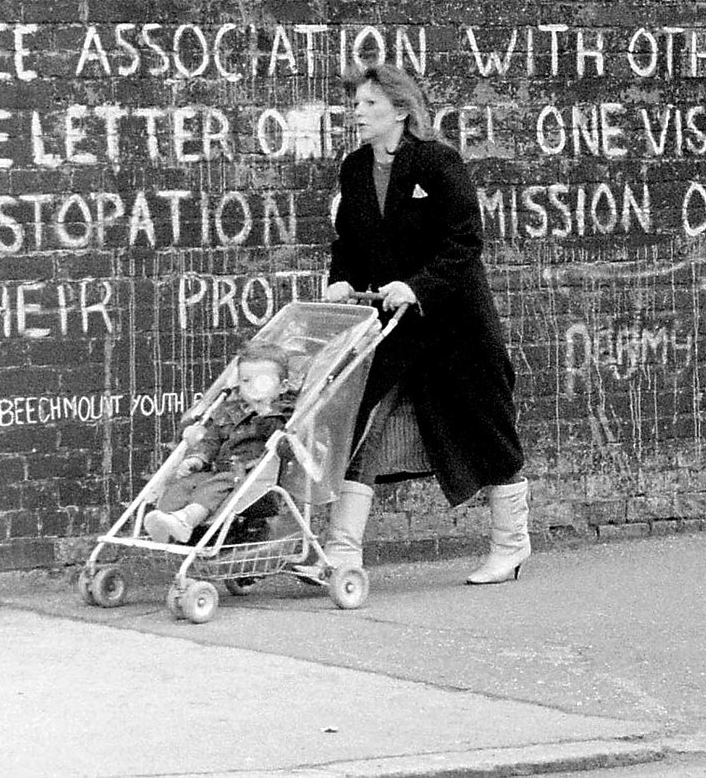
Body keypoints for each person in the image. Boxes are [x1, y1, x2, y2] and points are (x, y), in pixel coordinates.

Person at [320, 64, 530, 584]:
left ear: (401, 110)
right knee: (361, 423)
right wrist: (341, 281)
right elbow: (348, 243)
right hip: (393, 327)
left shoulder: (438, 162)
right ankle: (341, 555)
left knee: (486, 428)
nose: (358, 113)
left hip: (456, 326)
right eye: (357, 104)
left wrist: (417, 287)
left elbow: (463, 242)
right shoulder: (353, 169)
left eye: (370, 105)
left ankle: (511, 546)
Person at [142, 341, 296, 543]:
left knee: (214, 486)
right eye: (246, 381)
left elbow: (280, 440)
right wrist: (198, 458)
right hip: (216, 470)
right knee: (182, 485)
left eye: (262, 382)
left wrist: (265, 410)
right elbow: (212, 439)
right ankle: (165, 523)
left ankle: (186, 520)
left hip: (250, 478)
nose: (252, 388)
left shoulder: (280, 416)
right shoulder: (230, 411)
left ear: (282, 386)